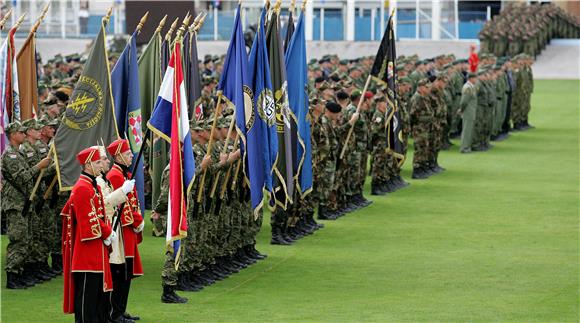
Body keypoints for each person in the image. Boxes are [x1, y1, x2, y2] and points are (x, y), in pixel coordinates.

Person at [61, 146, 116, 322]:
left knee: (96, 297)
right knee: (87, 299)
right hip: (86, 252)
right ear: (88, 165)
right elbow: (88, 219)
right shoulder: (83, 187)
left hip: (95, 250)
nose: (102, 165)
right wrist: (108, 232)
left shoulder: (92, 185)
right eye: (98, 162)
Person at [2, 122, 51, 289]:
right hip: (15, 203)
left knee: (28, 239)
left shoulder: (18, 153)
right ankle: (12, 276)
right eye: (20, 132)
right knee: (19, 240)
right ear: (13, 135)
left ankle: (21, 273)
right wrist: (40, 166)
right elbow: (22, 177)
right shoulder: (10, 155)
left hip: (24, 202)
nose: (24, 135)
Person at [106, 139, 144, 323]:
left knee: (126, 273)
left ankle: (121, 309)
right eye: (128, 153)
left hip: (128, 229)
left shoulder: (123, 173)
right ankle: (115, 312)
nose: (131, 156)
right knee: (120, 273)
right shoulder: (115, 175)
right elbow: (122, 204)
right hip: (122, 230)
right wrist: (137, 220)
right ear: (119, 155)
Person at [458, 73, 478, 153]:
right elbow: (464, 101)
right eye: (475, 78)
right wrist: (461, 109)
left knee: (469, 130)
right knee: (467, 130)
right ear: (471, 78)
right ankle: (464, 147)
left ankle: (467, 146)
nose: (476, 80)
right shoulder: (468, 87)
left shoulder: (471, 87)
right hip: (468, 111)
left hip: (471, 111)